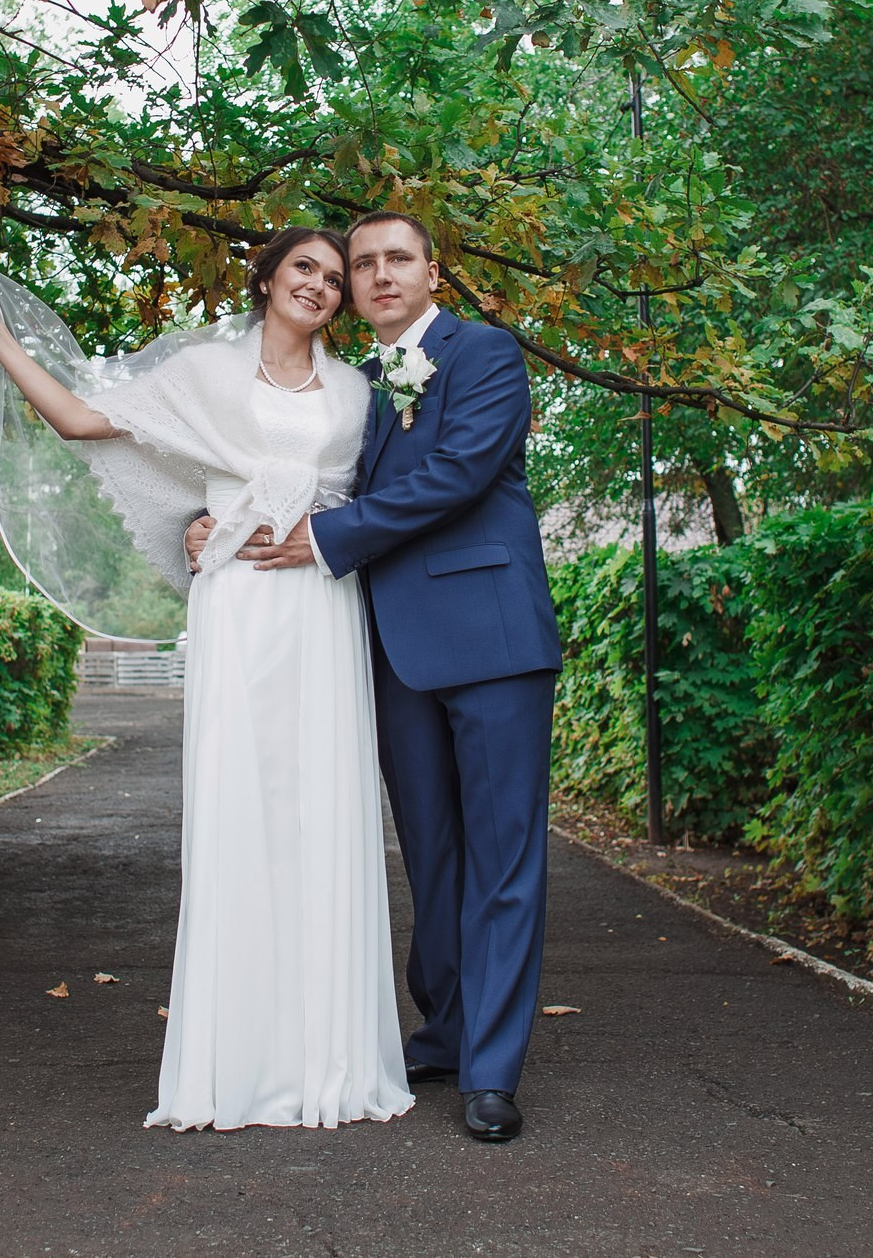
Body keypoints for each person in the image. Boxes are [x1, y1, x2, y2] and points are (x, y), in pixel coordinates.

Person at [0, 231, 412, 1133]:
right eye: (301, 267)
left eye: (330, 275)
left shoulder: (358, 394)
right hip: (237, 609)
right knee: (240, 815)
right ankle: (230, 1068)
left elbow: (372, 499)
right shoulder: (201, 375)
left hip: (320, 611)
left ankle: (333, 1063)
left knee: (323, 816)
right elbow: (83, 420)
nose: (318, 284)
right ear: (268, 277)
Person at [194, 210, 562, 1144]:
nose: (380, 274)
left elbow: (460, 470)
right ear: (350, 288)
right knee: (431, 856)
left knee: (502, 858)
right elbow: (288, 474)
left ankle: (491, 1068)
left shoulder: (484, 352)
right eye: (364, 264)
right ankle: (443, 1027)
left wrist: (323, 537)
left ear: (434, 272)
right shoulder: (351, 391)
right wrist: (208, 528)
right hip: (392, 649)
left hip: (492, 640)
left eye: (398, 258)